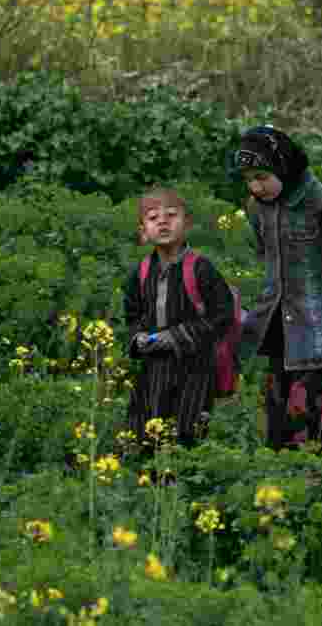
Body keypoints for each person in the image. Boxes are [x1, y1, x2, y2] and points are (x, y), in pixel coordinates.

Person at [235, 126, 322, 457]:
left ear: (283, 165)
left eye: (262, 176)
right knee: (277, 405)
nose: (256, 186)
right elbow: (267, 256)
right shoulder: (258, 209)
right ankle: (281, 475)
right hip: (278, 324)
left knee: (315, 411)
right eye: (248, 179)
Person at [123, 186, 234, 451]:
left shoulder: (200, 268)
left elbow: (222, 315)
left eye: (171, 215)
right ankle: (147, 479)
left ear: (187, 224)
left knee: (188, 430)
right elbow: (132, 315)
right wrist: (138, 338)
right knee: (144, 427)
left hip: (194, 366)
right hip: (152, 366)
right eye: (153, 218)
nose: (162, 221)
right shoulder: (140, 273)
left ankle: (185, 480)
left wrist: (175, 337)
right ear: (143, 232)